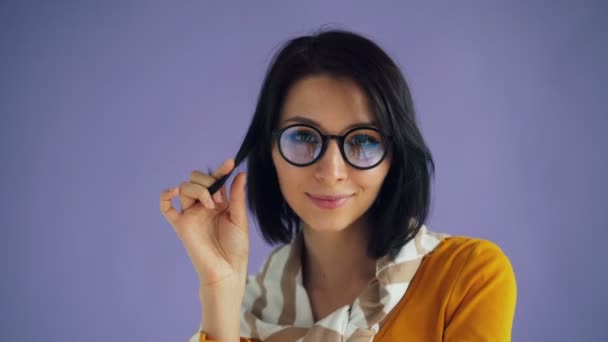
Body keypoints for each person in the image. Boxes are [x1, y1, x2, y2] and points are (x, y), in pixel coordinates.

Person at [160, 29, 516, 342]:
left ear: (395, 155)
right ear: (269, 152)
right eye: (303, 136)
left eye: (363, 140)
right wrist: (220, 287)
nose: (331, 171)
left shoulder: (466, 278)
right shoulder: (243, 307)